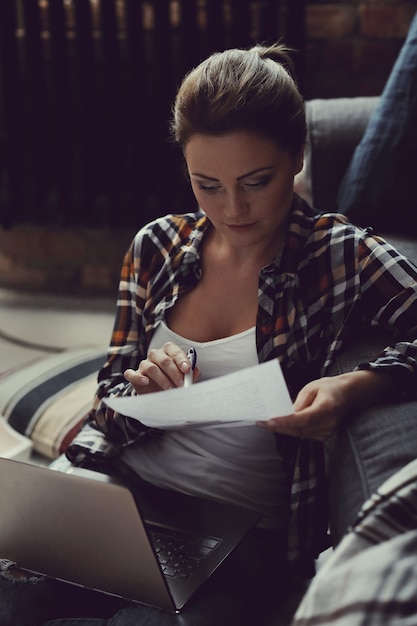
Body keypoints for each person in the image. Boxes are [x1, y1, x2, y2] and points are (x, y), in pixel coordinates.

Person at [2, 42, 417, 626]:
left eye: (256, 180)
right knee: (13, 597)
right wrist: (141, 399)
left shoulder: (339, 253)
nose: (233, 208)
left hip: (244, 539)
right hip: (123, 497)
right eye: (207, 184)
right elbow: (107, 409)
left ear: (296, 156)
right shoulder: (156, 247)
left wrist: (358, 387)